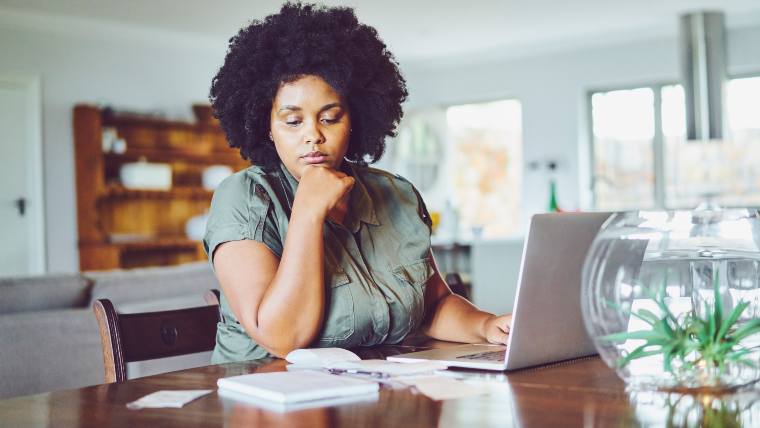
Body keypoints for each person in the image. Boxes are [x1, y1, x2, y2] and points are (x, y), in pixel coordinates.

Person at [204, 2, 511, 363]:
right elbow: (282, 337)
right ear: (266, 127)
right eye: (292, 121)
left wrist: (487, 325)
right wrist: (307, 212)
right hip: (265, 404)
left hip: (372, 396)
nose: (313, 136)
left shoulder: (396, 194)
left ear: (355, 118)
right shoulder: (242, 197)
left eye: (330, 118)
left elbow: (434, 305)